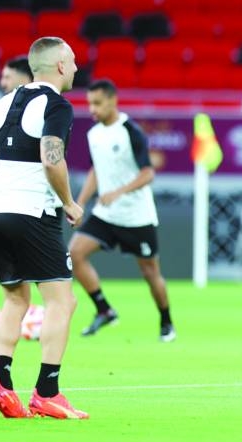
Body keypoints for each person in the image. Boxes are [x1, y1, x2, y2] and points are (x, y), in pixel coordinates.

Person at [0, 36, 89, 419]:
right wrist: (70, 202)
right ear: (58, 66)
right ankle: (48, 392)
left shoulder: (5, 101)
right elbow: (51, 156)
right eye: (71, 61)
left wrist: (12, 170)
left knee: (15, 299)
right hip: (31, 211)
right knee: (62, 301)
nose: (75, 67)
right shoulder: (57, 104)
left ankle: (3, 385)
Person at [69, 79, 175, 342]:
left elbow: (148, 173)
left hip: (136, 216)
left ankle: (166, 321)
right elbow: (97, 170)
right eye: (89, 103)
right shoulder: (94, 134)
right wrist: (78, 202)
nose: (92, 109)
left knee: (150, 272)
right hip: (106, 214)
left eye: (97, 103)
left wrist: (118, 192)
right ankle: (104, 309)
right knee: (75, 253)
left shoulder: (131, 131)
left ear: (112, 101)